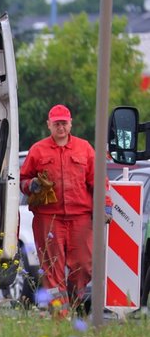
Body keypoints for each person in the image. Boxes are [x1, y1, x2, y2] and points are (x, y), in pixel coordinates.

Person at [20, 104, 110, 316]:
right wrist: (31, 184)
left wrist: (106, 206)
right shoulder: (38, 150)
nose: (60, 127)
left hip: (80, 218)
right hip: (48, 218)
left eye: (64, 123)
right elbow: (23, 179)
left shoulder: (85, 148)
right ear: (49, 125)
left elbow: (98, 181)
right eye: (56, 123)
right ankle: (59, 315)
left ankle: (75, 303)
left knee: (83, 267)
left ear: (70, 124)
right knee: (52, 269)